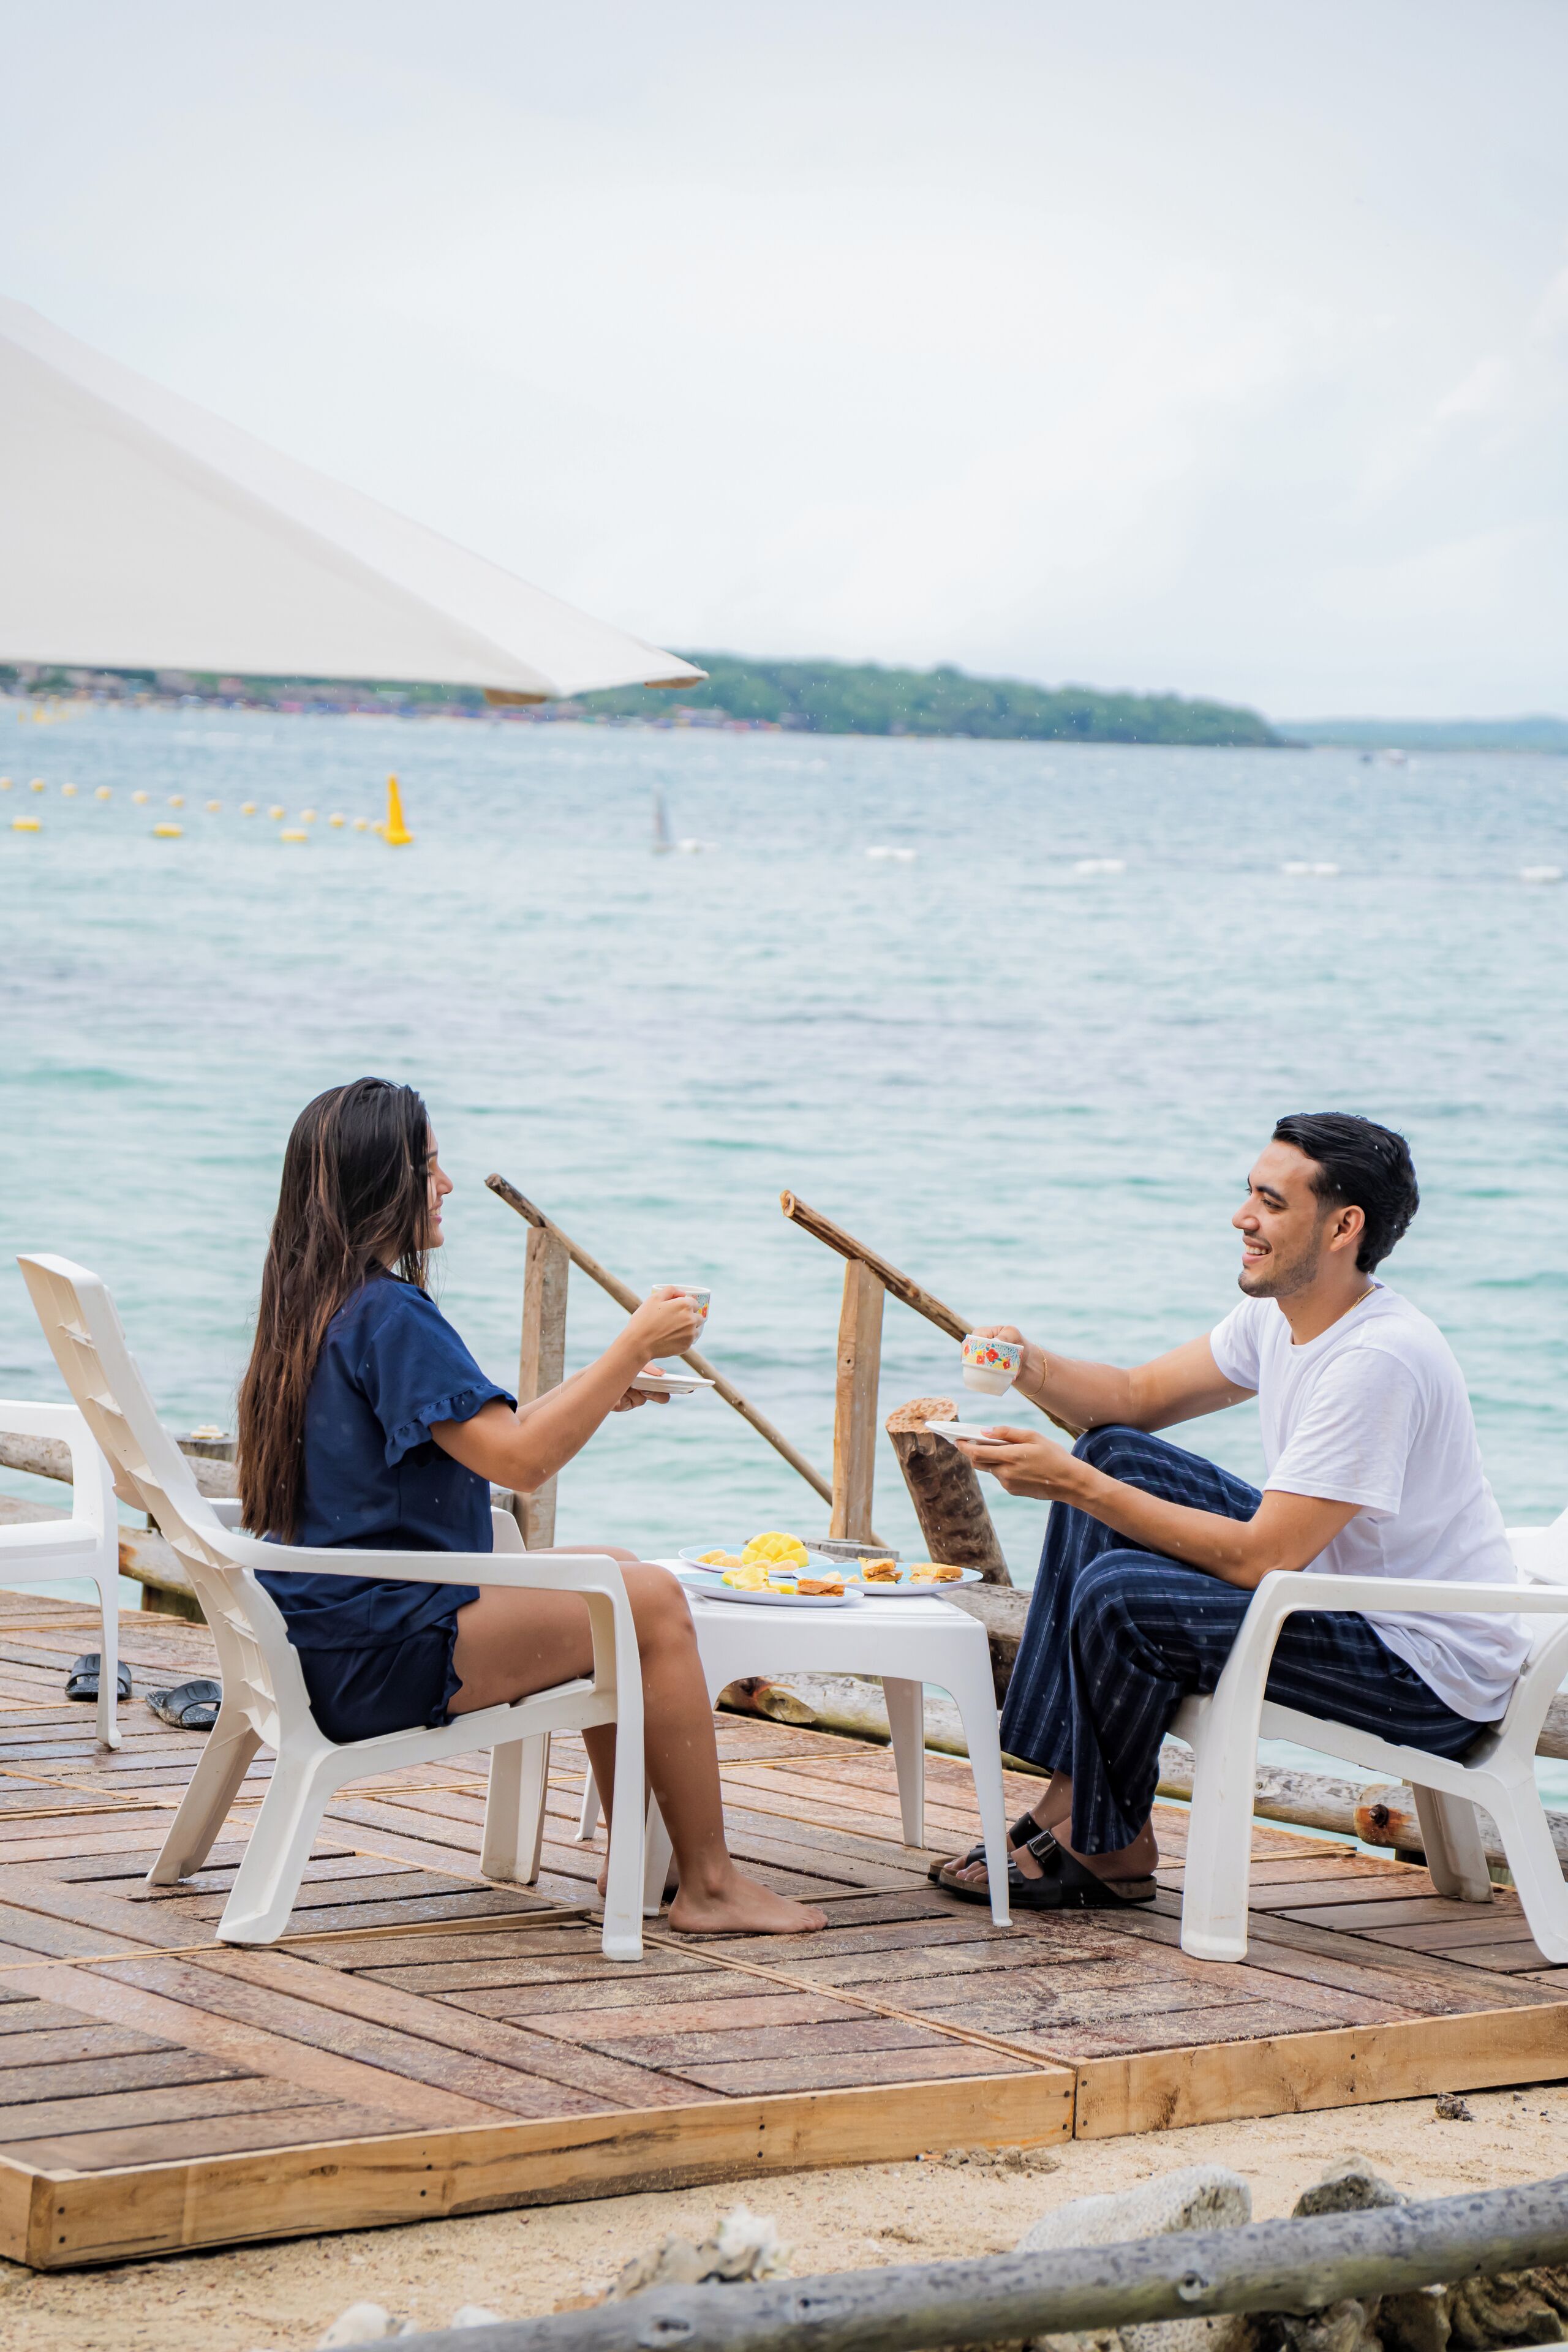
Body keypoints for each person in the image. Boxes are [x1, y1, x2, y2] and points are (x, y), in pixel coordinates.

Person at [237, 1075, 824, 1938]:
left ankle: (644, 1861)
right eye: (429, 1168)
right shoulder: (390, 1314)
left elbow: (486, 1437)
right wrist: (630, 1342)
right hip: (383, 1655)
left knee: (614, 1568)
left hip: (333, 1635)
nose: (444, 1185)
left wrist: (606, 1382)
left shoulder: (313, 1303)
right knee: (650, 1600)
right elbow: (521, 1461)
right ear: (378, 1184)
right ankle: (709, 1883)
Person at [935, 1112, 1526, 1913]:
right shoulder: (1283, 1315)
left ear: (1343, 1227)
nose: (1242, 1217)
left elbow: (1260, 1559)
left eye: (1271, 1203)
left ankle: (1102, 1840)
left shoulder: (1378, 1358)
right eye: (1249, 1193)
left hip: (1420, 1670)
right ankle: (1078, 1808)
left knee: (1119, 1589)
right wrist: (1027, 1364)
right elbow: (1133, 1398)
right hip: (1339, 1597)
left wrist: (1069, 1486)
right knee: (1112, 1452)